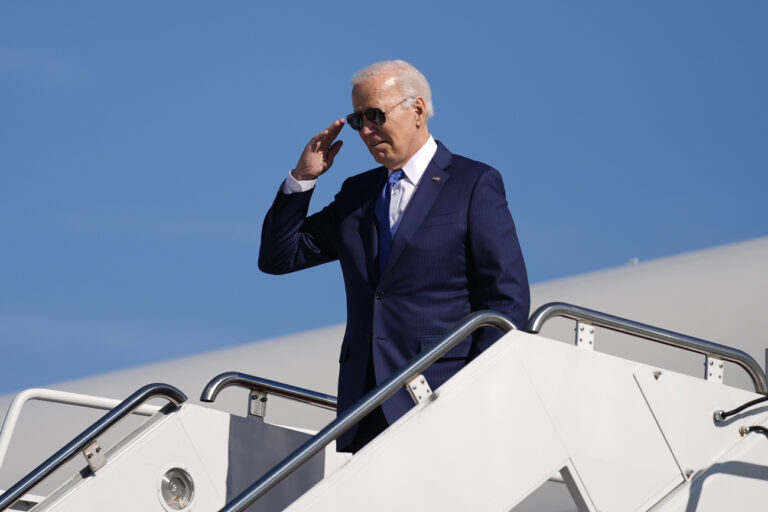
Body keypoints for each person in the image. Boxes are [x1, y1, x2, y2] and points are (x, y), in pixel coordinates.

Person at [259, 60, 529, 453]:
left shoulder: (474, 185)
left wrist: (474, 392)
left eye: (374, 116)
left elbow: (506, 301)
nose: (366, 131)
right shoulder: (358, 195)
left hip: (442, 403)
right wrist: (304, 176)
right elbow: (280, 256)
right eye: (357, 121)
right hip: (364, 408)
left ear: (417, 110)